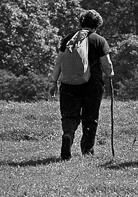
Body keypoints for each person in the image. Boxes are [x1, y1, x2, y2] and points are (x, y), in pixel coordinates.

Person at [49, 9, 114, 160]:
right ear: (97, 24)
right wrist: (110, 75)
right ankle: (87, 150)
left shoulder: (68, 39)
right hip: (92, 85)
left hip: (68, 84)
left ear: (81, 22)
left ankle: (68, 135)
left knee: (69, 116)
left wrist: (54, 82)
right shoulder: (99, 40)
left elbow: (58, 63)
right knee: (90, 117)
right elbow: (107, 65)